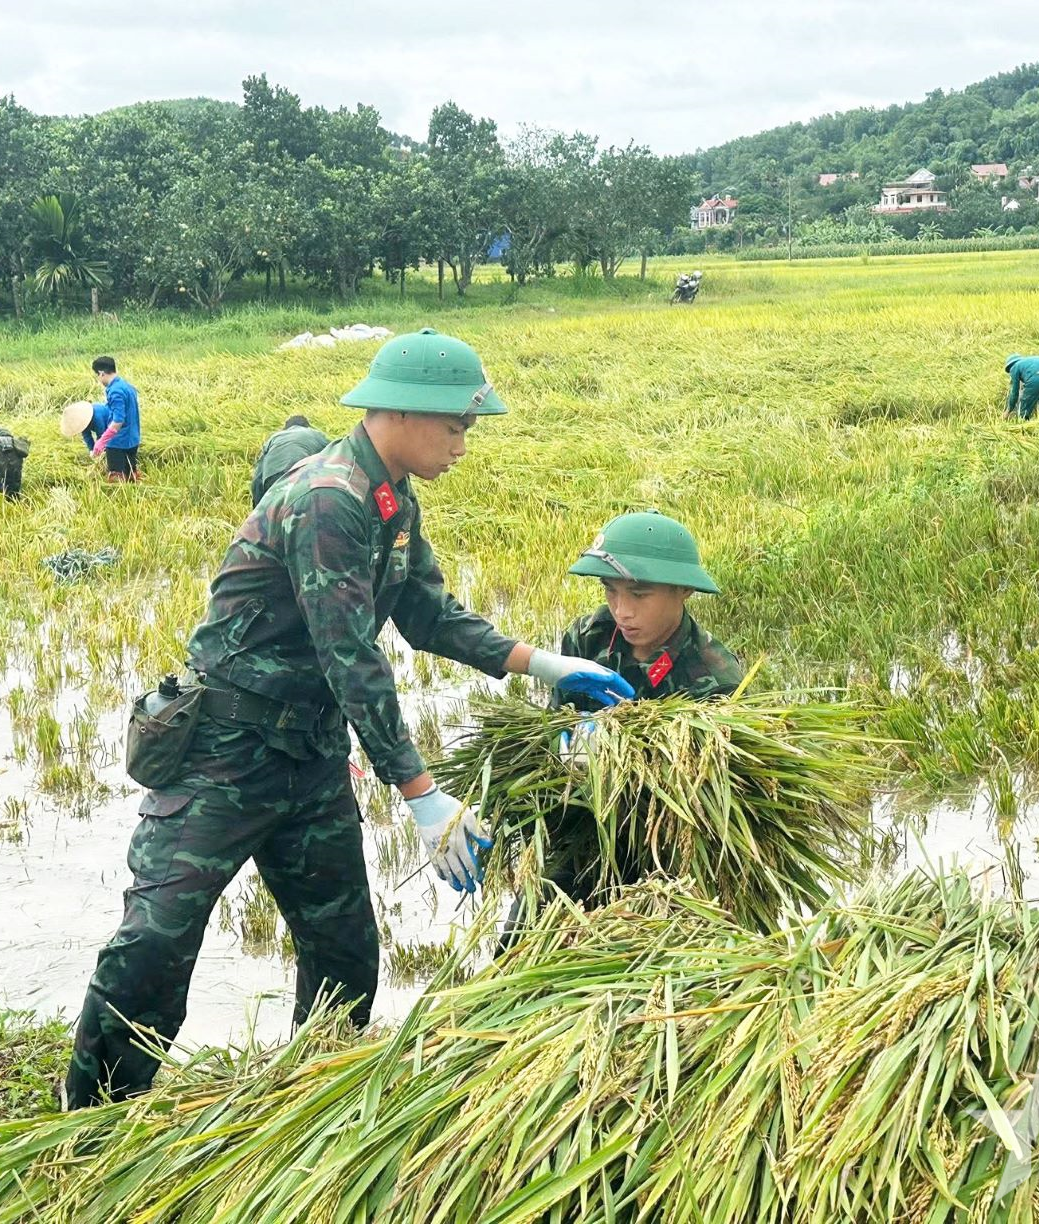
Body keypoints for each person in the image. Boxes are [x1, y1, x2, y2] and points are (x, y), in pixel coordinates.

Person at [65, 328, 635, 1108]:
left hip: (309, 755)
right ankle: (92, 1119)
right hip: (225, 751)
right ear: (402, 411)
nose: (464, 444)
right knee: (157, 939)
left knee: (343, 950)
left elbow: (430, 617)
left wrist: (542, 661)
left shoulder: (392, 502)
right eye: (457, 425)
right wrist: (422, 795)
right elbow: (350, 658)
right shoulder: (329, 498)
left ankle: (307, 1105)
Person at [501, 511, 744, 942]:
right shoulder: (589, 638)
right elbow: (557, 721)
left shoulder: (713, 676)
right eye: (610, 592)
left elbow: (705, 797)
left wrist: (631, 760)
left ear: (683, 590)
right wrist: (568, 745)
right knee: (520, 942)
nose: (622, 611)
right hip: (581, 823)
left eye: (639, 594)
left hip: (661, 846)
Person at [252, 414, 330, 508]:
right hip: (300, 476)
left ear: (285, 428)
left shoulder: (275, 437)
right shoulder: (316, 435)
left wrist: (257, 508)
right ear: (307, 426)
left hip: (272, 477)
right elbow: (332, 457)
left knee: (275, 513)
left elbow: (258, 477)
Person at [89, 356, 142, 481]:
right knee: (131, 477)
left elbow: (118, 421)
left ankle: (122, 500)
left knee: (116, 480)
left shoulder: (115, 391)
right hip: (133, 439)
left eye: (97, 375)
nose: (98, 379)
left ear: (101, 373)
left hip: (118, 443)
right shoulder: (127, 386)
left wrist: (102, 442)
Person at [1004, 354, 1039, 419]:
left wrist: (1009, 409)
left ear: (1009, 366)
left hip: (1035, 380)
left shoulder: (1014, 367)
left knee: (1024, 411)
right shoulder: (1030, 362)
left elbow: (1014, 392)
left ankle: (1023, 423)